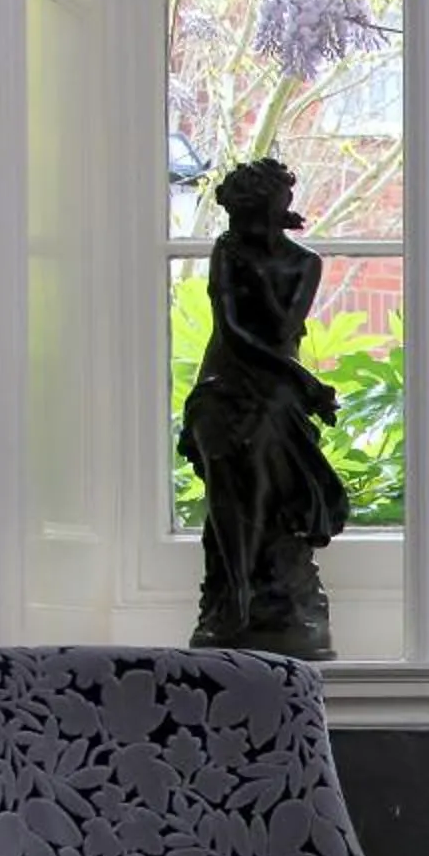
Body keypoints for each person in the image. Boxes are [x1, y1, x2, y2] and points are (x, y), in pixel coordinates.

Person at [179, 157, 350, 656]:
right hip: (224, 380)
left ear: (276, 210)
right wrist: (309, 383)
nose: (240, 228)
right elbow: (233, 333)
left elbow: (279, 334)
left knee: (264, 451)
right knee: (226, 458)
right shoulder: (227, 252)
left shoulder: (304, 263)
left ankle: (259, 596)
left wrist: (262, 270)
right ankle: (234, 595)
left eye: (253, 214)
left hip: (277, 385)